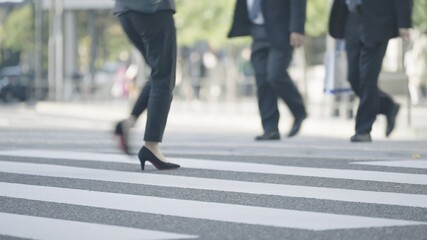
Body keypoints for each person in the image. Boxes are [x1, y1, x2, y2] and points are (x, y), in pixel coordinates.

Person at [329, 0, 412, 142]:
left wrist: (404, 22)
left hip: (378, 21)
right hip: (352, 19)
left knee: (368, 78)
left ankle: (363, 129)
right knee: (353, 78)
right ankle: (388, 105)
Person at [113, 0, 180, 170]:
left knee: (159, 73)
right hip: (153, 8)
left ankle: (129, 121)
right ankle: (151, 145)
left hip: (125, 11)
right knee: (164, 75)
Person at [228, 0, 308, 140]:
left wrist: (297, 28)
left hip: (281, 30)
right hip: (256, 30)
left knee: (275, 75)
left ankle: (298, 110)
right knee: (262, 80)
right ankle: (270, 129)